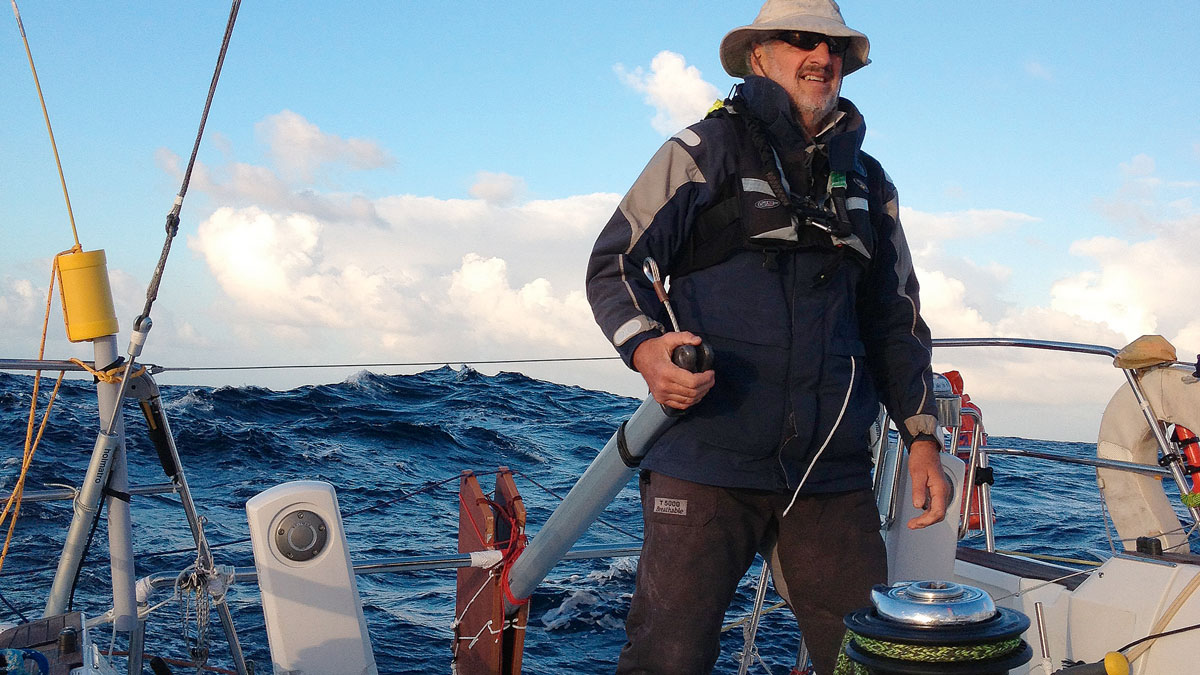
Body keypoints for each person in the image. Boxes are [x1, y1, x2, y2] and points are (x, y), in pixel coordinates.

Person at [585, 0, 949, 672]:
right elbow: (616, 263)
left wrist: (921, 435)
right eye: (800, 40)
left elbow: (896, 321)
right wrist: (645, 348)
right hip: (705, 460)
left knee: (870, 658)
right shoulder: (700, 152)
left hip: (830, 474)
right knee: (669, 656)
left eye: (833, 47)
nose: (822, 57)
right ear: (759, 56)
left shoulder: (871, 184)